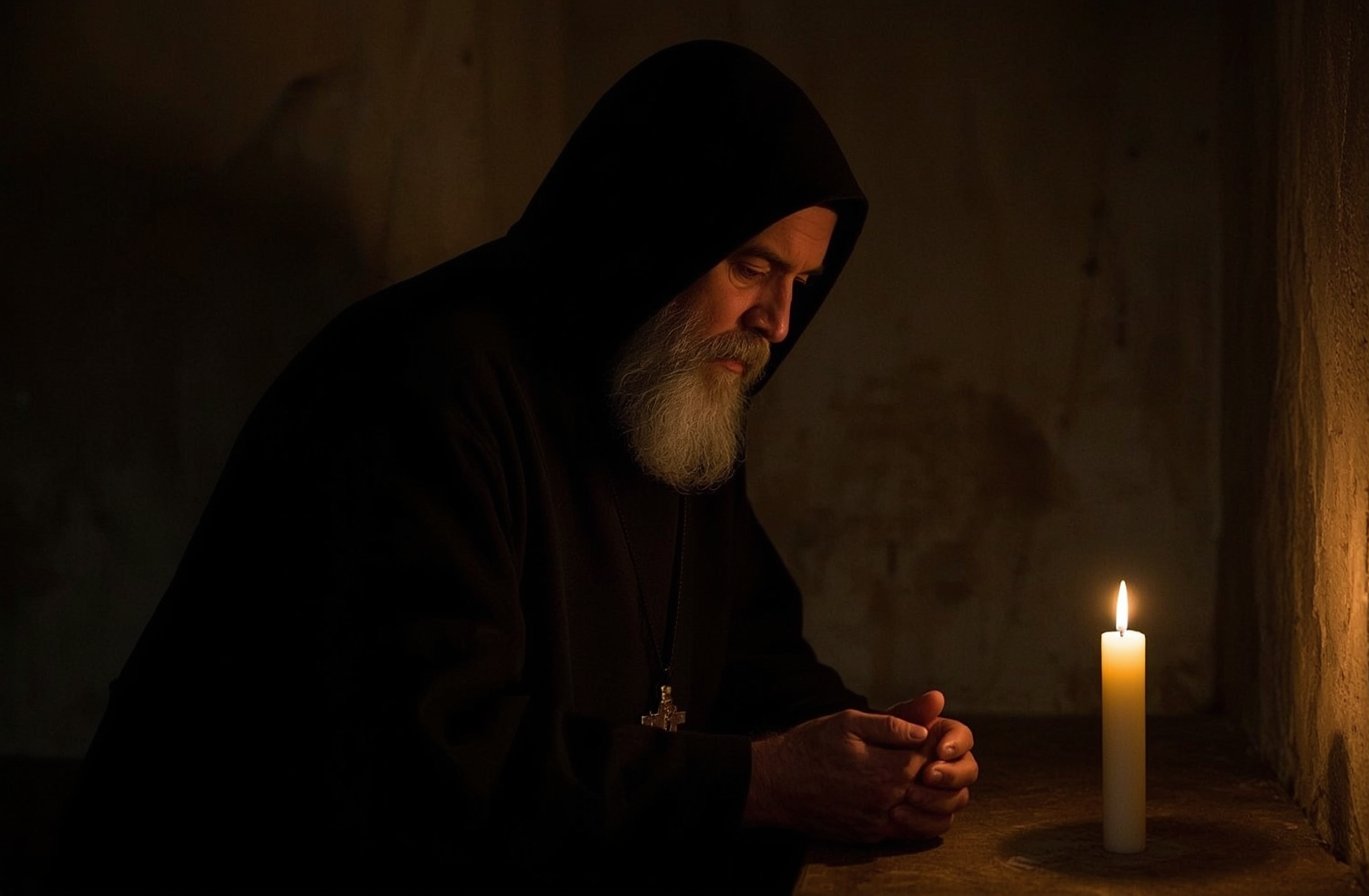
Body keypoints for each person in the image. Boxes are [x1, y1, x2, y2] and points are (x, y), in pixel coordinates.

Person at [53, 39, 977, 891]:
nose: (777, 323)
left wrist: (889, 752)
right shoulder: (425, 380)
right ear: (655, 232)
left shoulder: (670, 391)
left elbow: (753, 656)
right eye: (750, 267)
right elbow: (427, 756)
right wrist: (763, 783)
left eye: (799, 285)